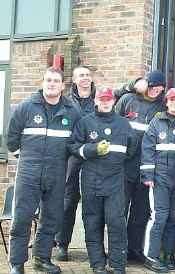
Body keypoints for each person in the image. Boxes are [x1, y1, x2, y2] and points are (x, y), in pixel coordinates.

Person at [7, 67, 81, 274]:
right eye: (48, 80)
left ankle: (41, 259)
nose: (51, 84)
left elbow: (75, 142)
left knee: (51, 218)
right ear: (42, 82)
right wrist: (27, 158)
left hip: (57, 171)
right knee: (22, 217)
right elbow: (11, 139)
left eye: (56, 81)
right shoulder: (26, 107)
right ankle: (17, 263)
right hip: (29, 172)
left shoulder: (72, 112)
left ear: (62, 85)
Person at [69, 88, 136, 274]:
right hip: (91, 179)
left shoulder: (124, 124)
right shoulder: (85, 122)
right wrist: (92, 150)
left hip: (115, 180)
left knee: (116, 222)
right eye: (102, 99)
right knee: (92, 222)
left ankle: (117, 264)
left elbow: (132, 148)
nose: (105, 102)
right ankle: (97, 264)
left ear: (113, 101)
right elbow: (73, 146)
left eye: (108, 99)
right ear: (96, 101)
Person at [115, 70, 166, 263]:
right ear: (145, 85)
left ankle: (134, 249)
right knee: (119, 210)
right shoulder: (127, 100)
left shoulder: (162, 106)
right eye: (152, 86)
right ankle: (117, 250)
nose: (155, 91)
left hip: (147, 168)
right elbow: (113, 123)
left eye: (159, 88)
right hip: (124, 166)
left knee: (141, 211)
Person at [140, 88, 175, 273]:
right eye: (172, 100)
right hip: (160, 177)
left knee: (174, 217)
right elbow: (148, 150)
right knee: (160, 217)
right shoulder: (156, 122)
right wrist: (148, 176)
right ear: (166, 102)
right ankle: (151, 255)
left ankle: (168, 254)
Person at [55, 65, 96, 261]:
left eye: (88, 75)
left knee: (93, 203)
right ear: (74, 79)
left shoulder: (101, 100)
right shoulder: (66, 102)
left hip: (95, 158)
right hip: (72, 156)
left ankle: (94, 248)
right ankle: (62, 244)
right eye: (81, 75)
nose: (85, 78)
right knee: (68, 200)